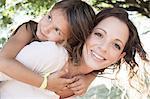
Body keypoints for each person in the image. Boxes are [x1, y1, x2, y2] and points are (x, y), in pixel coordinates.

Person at [1, 7, 149, 98]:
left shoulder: (79, 85)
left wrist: (90, 76)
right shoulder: (51, 54)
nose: (103, 47)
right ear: (85, 33)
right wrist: (45, 83)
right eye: (99, 34)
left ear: (119, 56)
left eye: (116, 45)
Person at [0, 0, 96, 98]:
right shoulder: (28, 29)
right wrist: (46, 83)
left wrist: (89, 78)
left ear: (69, 41)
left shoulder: (60, 57)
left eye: (57, 30)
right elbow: (2, 61)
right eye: (49, 18)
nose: (46, 28)